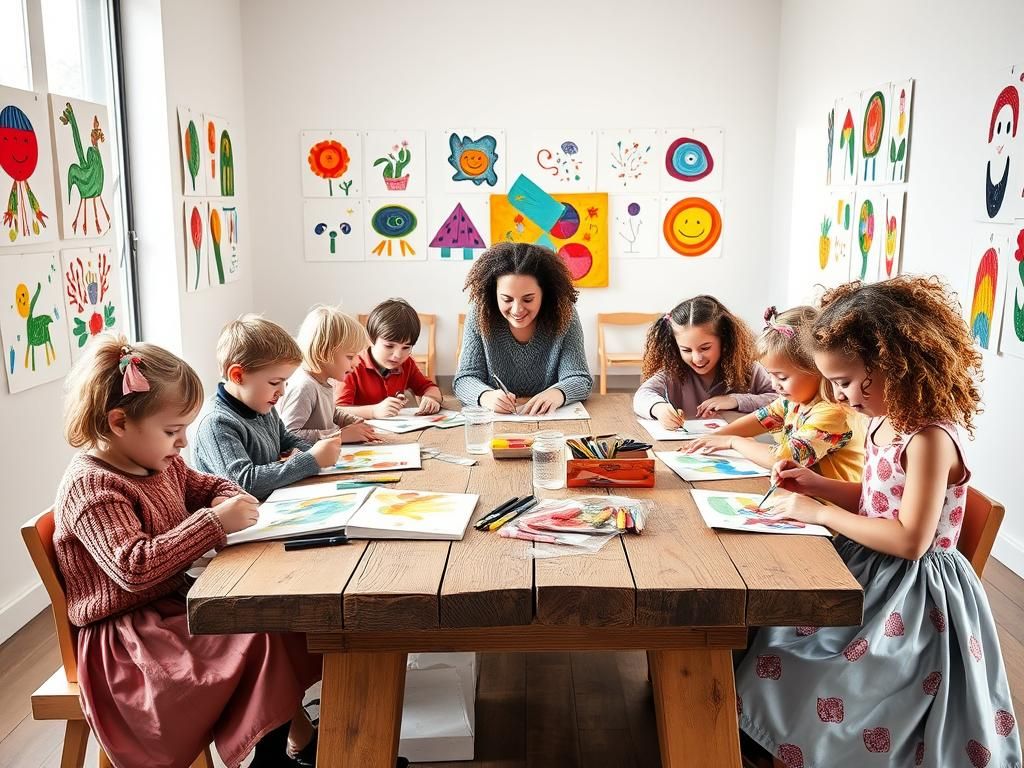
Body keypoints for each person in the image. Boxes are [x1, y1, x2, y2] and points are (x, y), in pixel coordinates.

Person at [738, 277, 1021, 767]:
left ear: (893, 365)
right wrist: (816, 484)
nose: (838, 395)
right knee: (773, 628)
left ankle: (796, 745)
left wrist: (821, 512)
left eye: (845, 381)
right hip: (872, 564)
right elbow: (877, 501)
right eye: (832, 382)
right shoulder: (882, 419)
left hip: (913, 594)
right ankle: (767, 740)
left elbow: (911, 539)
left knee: (798, 655)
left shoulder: (928, 438)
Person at [53, 335, 321, 767]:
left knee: (279, 619)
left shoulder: (159, 461)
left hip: (168, 606)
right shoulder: (91, 487)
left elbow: (209, 484)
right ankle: (286, 753)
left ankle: (292, 749)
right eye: (172, 431)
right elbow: (134, 567)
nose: (182, 443)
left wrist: (223, 498)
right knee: (259, 637)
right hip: (126, 636)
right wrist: (213, 522)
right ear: (119, 423)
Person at [453, 241, 593, 414]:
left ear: (544, 293)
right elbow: (465, 378)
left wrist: (558, 393)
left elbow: (579, 377)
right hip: (495, 421)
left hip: (549, 421)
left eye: (528, 299)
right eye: (507, 299)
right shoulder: (481, 313)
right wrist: (485, 396)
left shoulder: (563, 313)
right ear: (494, 293)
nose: (517, 310)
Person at [633, 295, 776, 427]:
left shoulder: (749, 369)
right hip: (686, 444)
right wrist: (658, 408)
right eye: (686, 350)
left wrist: (735, 400)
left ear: (724, 340)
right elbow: (642, 395)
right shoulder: (673, 372)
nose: (697, 358)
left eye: (705, 348)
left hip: (738, 443)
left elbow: (780, 401)